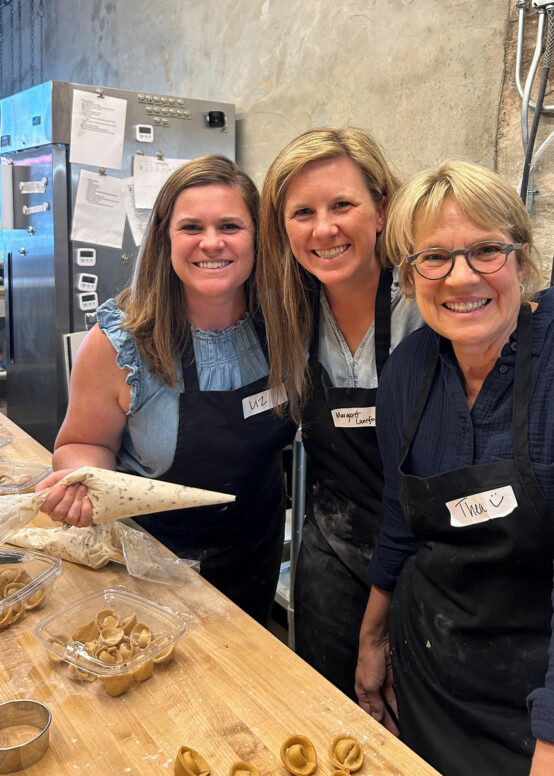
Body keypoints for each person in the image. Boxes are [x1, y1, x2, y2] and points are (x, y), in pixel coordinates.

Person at [355, 160, 554, 776]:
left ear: (521, 259)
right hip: (433, 673)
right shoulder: (410, 368)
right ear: (411, 275)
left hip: (536, 685)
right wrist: (372, 640)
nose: (460, 277)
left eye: (486, 251)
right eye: (433, 258)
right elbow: (399, 521)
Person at [37, 155, 296, 626]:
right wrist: (80, 482)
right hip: (152, 568)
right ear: (165, 238)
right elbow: (82, 443)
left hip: (255, 554)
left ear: (258, 236)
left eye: (231, 226)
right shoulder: (122, 343)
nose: (211, 242)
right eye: (191, 227)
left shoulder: (283, 324)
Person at [256, 128, 422, 698]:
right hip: (331, 546)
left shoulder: (427, 304)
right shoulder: (286, 311)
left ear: (381, 210)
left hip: (430, 559)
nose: (323, 229)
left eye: (342, 205)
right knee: (327, 709)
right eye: (302, 211)